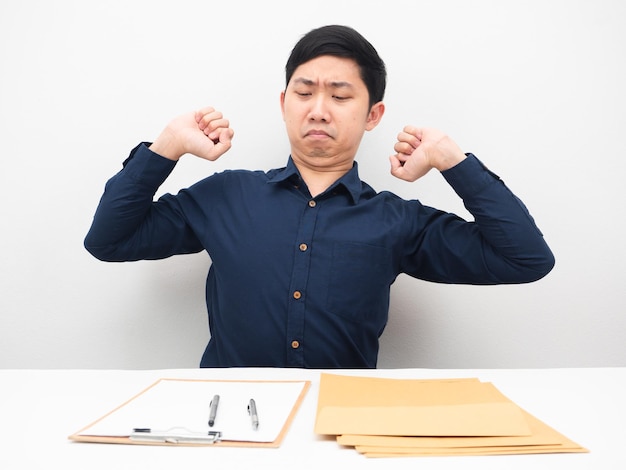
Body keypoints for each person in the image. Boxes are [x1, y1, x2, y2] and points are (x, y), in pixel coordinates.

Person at [84, 25, 555, 368]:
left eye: (341, 96)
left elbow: (525, 259)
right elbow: (108, 241)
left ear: (373, 115)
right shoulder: (224, 196)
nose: (319, 110)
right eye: (304, 92)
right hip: (228, 421)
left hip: (345, 426)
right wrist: (165, 147)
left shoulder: (397, 221)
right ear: (283, 102)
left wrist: (454, 161)